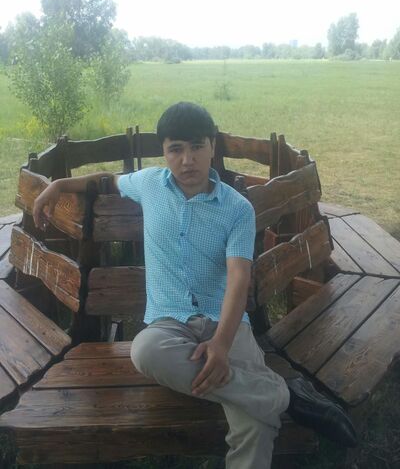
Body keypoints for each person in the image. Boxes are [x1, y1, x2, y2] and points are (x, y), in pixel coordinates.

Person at [33, 102, 356, 469]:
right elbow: (106, 179)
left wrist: (221, 344)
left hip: (227, 322)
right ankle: (284, 396)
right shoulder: (150, 184)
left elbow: (239, 277)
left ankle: (262, 398)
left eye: (197, 147)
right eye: (176, 149)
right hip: (169, 323)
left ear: (212, 146)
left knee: (253, 423)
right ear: (164, 152)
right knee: (145, 351)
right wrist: (58, 185)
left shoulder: (237, 208)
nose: (187, 160)